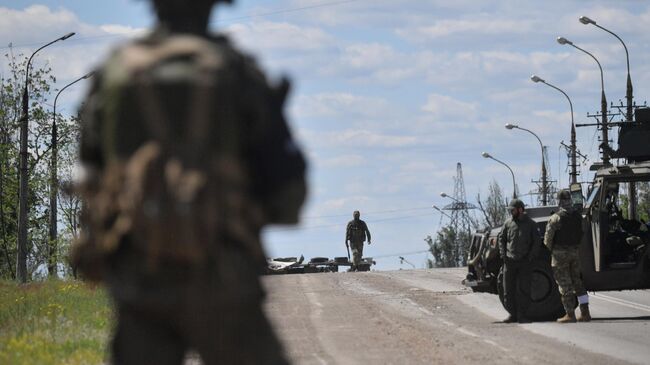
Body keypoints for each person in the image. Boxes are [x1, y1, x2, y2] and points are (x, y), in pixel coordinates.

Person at [72, 0, 306, 363]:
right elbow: (286, 188)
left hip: (139, 273)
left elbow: (90, 171)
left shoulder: (114, 74)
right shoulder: (235, 72)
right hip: (221, 269)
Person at [544, 189, 590, 323]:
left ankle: (570, 314)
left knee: (564, 284)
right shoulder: (578, 217)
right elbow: (583, 232)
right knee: (578, 283)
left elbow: (548, 240)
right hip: (574, 252)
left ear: (559, 201)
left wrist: (553, 250)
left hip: (560, 254)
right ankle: (585, 313)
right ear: (570, 200)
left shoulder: (556, 218)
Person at [499, 199, 541, 323]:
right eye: (510, 210)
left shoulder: (531, 224)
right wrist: (503, 255)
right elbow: (502, 239)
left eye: (513, 209)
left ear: (520, 209)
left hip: (524, 262)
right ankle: (512, 315)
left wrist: (531, 257)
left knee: (524, 290)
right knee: (507, 291)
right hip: (510, 262)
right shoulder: (508, 223)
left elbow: (537, 242)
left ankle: (522, 315)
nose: (511, 212)